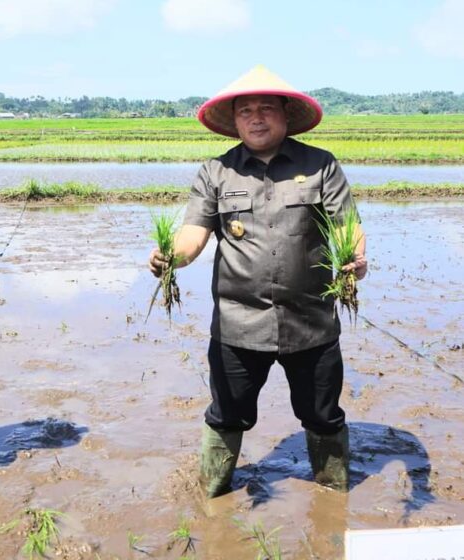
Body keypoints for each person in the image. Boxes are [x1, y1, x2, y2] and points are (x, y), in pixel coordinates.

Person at [149, 65, 367, 498]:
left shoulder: (320, 165)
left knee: (323, 415)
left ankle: (332, 493)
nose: (256, 117)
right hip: (238, 323)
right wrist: (171, 257)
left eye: (266, 108)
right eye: (245, 110)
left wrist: (354, 260)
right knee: (227, 414)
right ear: (234, 121)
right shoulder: (216, 171)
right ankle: (212, 493)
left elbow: (347, 226)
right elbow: (195, 231)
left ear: (286, 115)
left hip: (312, 324)